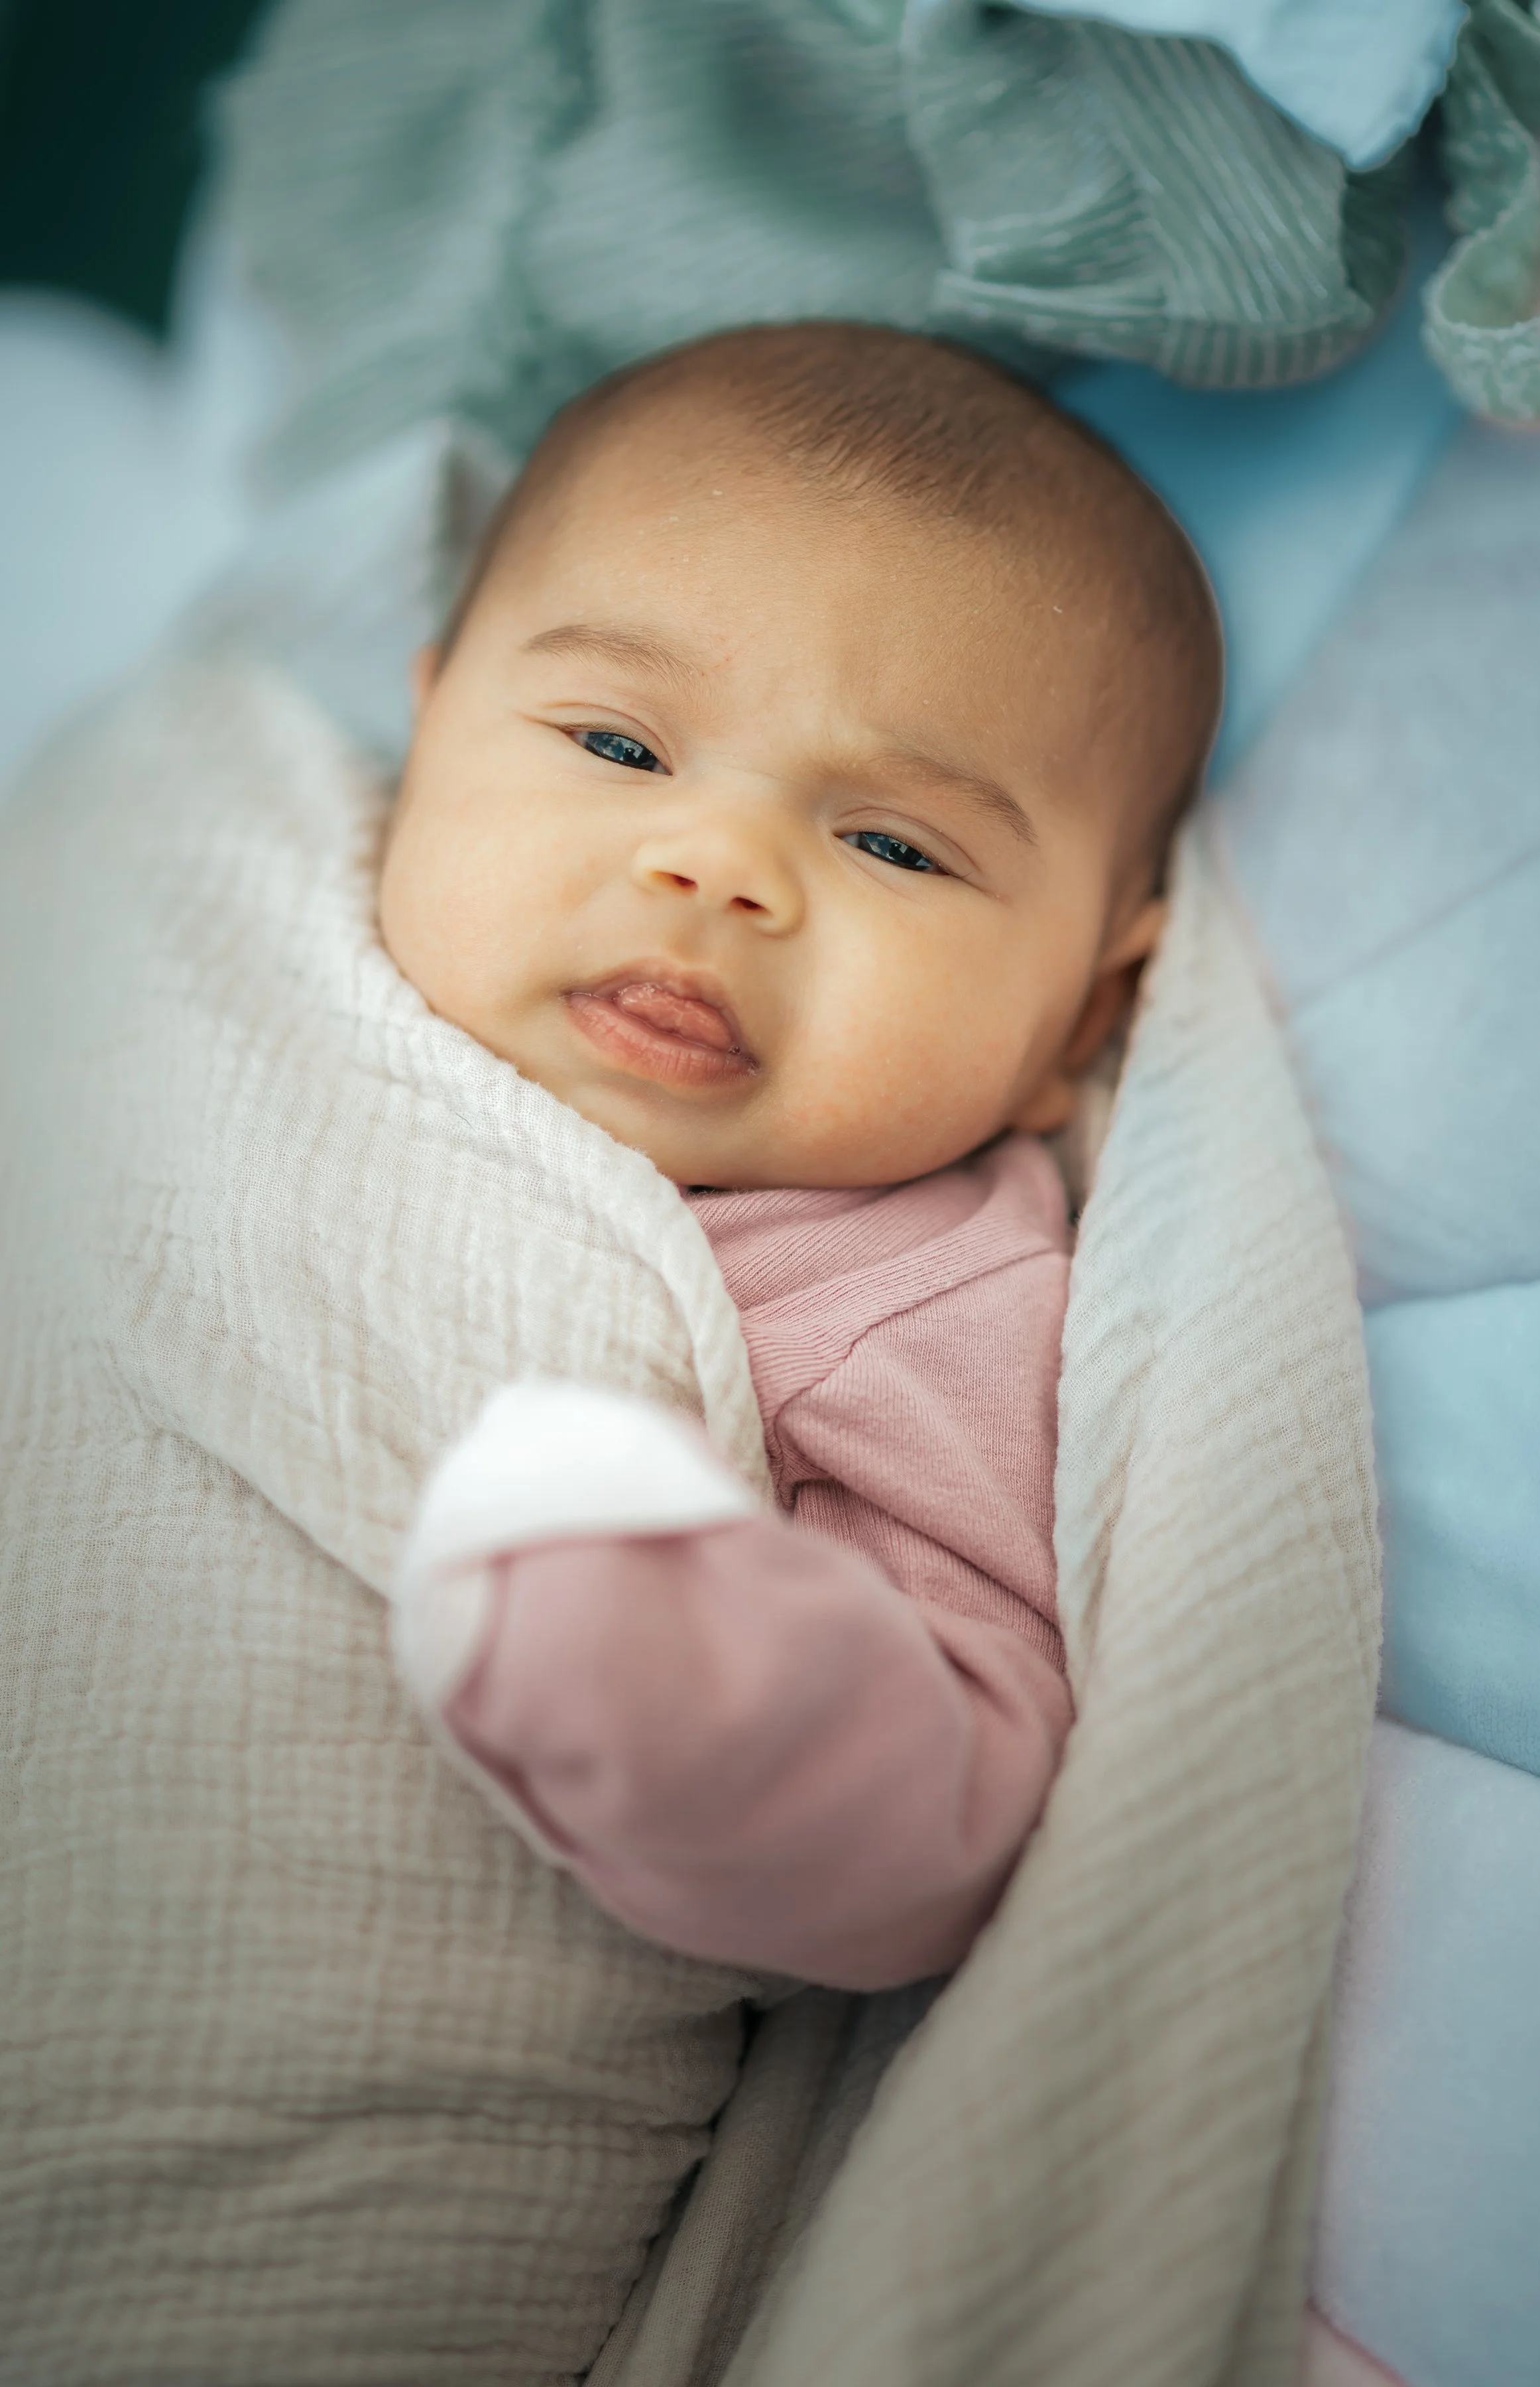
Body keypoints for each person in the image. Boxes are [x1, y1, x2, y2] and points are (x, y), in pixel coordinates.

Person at [383, 322, 1222, 1990]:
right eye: (619, 747)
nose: (720, 866)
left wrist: (667, 1669)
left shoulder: (916, 1286)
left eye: (896, 844)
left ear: (1084, 1015)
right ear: (422, 732)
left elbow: (950, 1803)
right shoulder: (243, 896)